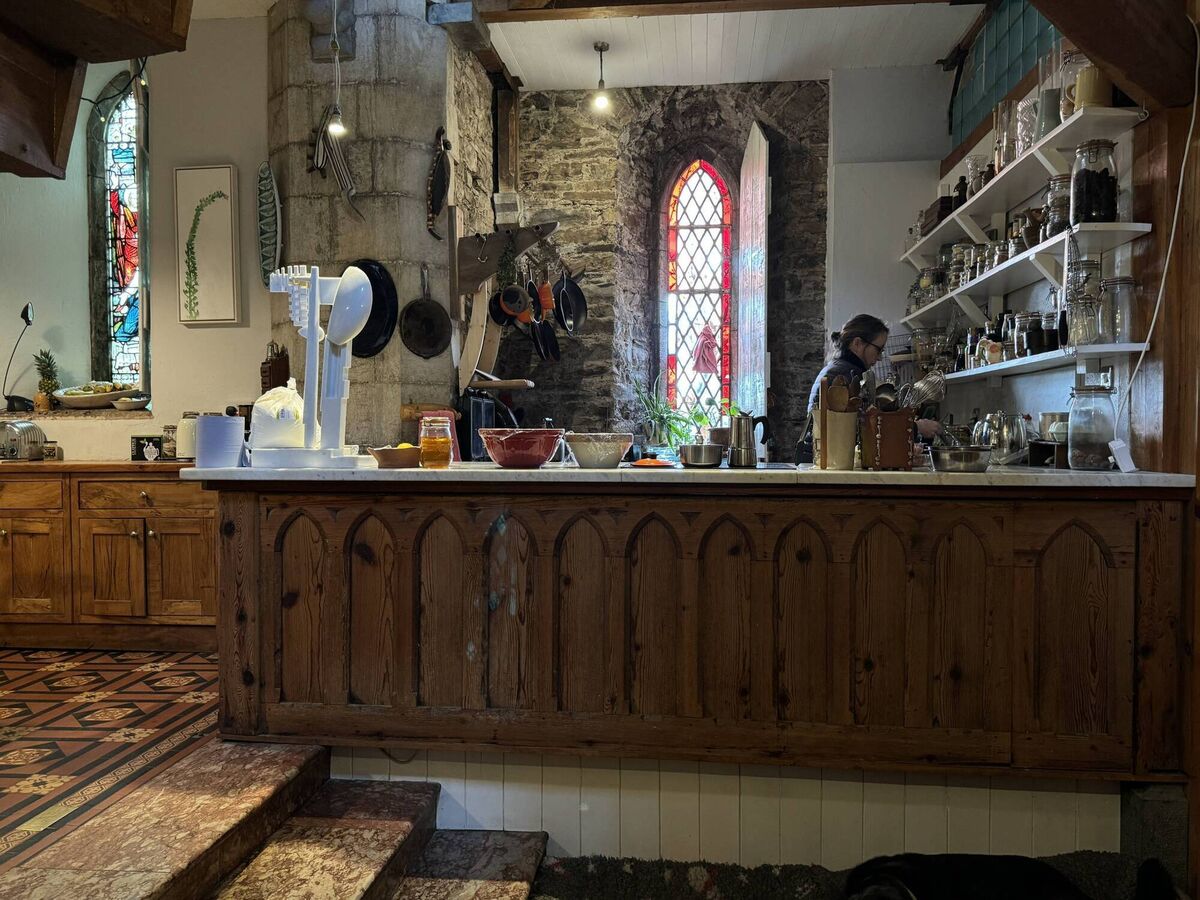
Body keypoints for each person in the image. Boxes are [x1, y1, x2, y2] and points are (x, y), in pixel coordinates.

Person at [797, 314, 940, 463]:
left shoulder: (839, 368)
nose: (879, 358)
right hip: (829, 461)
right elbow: (866, 427)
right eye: (879, 350)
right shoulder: (847, 375)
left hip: (821, 457)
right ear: (857, 343)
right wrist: (915, 427)